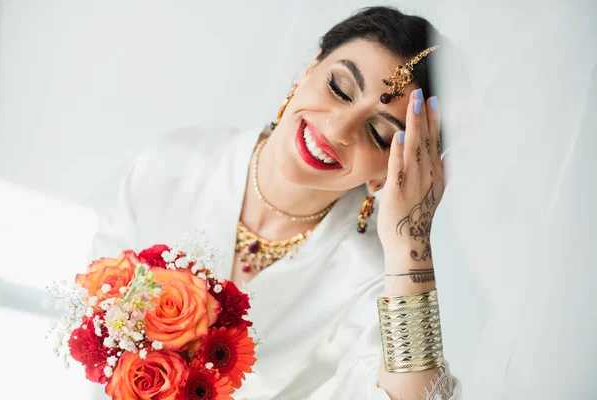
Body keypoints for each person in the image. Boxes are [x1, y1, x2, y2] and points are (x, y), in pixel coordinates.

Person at [90, 6, 460, 399]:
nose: (336, 130)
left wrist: (410, 246)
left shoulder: (369, 275)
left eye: (379, 134)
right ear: (308, 70)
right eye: (339, 88)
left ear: (390, 170)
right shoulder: (173, 167)